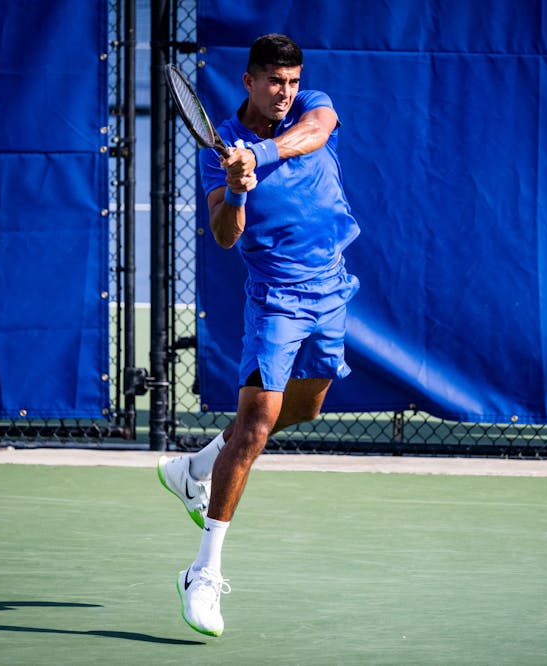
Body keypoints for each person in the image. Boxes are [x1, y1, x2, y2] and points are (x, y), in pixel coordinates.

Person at [156, 33, 360, 637]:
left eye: (292, 81)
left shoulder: (308, 107)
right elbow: (223, 235)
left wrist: (261, 158)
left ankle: (195, 466)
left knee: (308, 406)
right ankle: (204, 572)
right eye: (274, 81)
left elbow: (318, 130)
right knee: (254, 426)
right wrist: (238, 190)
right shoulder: (216, 146)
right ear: (249, 81)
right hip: (276, 298)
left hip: (331, 284)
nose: (286, 93)